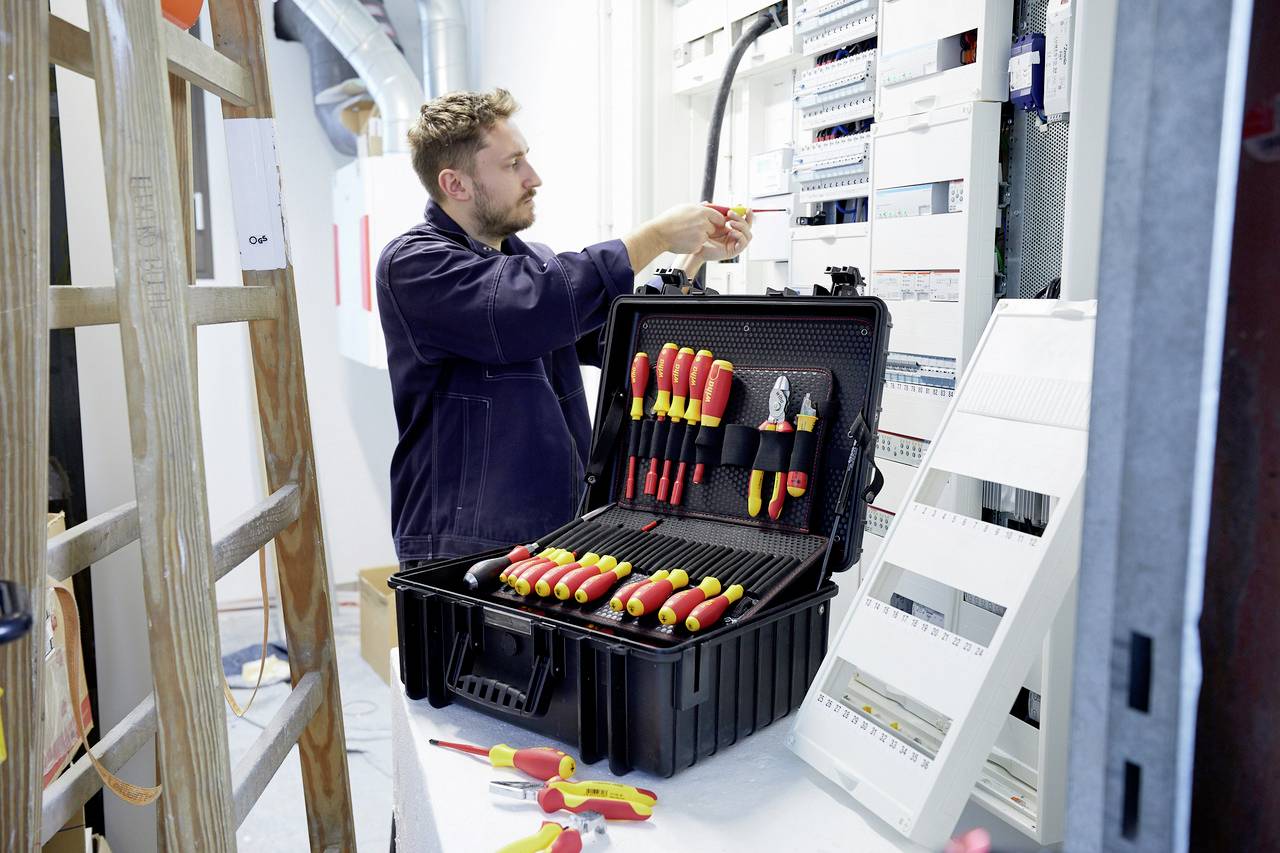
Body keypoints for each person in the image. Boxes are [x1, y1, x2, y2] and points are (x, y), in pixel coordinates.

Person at [377, 89, 754, 563]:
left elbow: (618, 338)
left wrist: (691, 259)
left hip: (555, 535)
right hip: (460, 549)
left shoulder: (530, 261)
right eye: (513, 164)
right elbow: (528, 307)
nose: (533, 178)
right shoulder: (415, 265)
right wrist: (654, 236)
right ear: (456, 185)